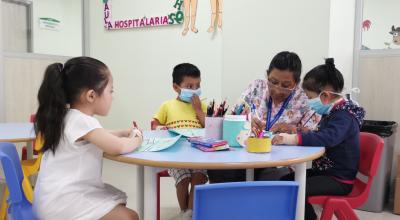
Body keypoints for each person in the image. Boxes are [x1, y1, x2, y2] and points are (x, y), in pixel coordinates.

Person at [33, 57, 142, 220]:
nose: (113, 97)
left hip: (52, 198)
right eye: (110, 91)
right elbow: (117, 147)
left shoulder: (69, 116)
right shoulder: (81, 121)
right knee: (130, 217)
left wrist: (122, 132)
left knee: (119, 206)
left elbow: (97, 135)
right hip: (63, 203)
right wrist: (137, 138)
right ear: (91, 96)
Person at [274, 58, 366, 220]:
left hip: (339, 179)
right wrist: (303, 132)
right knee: (285, 181)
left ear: (325, 96)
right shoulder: (334, 112)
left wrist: (294, 138)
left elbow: (328, 138)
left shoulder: (344, 116)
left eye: (310, 97)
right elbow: (326, 134)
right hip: (327, 173)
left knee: (296, 188)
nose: (309, 102)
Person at [152, 63, 208, 220]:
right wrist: (160, 129)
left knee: (198, 177)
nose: (195, 89)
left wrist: (197, 110)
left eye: (198, 85)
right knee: (184, 179)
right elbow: (155, 124)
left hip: (198, 153)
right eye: (190, 86)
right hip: (175, 153)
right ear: (176, 88)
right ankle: (184, 211)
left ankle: (191, 213)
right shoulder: (167, 105)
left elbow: (208, 127)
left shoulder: (202, 105)